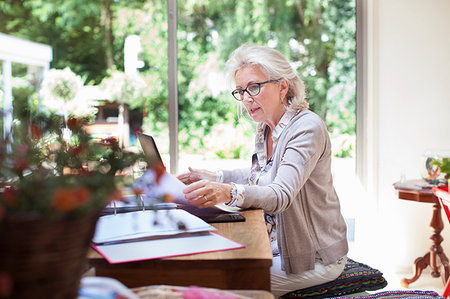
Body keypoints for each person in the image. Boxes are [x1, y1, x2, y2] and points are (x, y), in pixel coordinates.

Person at [177, 44, 348, 297]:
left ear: (282, 86)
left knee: (222, 282)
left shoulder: (307, 128)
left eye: (254, 87)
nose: (246, 98)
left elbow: (279, 194)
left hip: (313, 257)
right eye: (240, 91)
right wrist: (215, 177)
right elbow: (263, 176)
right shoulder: (267, 128)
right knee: (206, 265)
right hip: (275, 247)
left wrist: (226, 191)